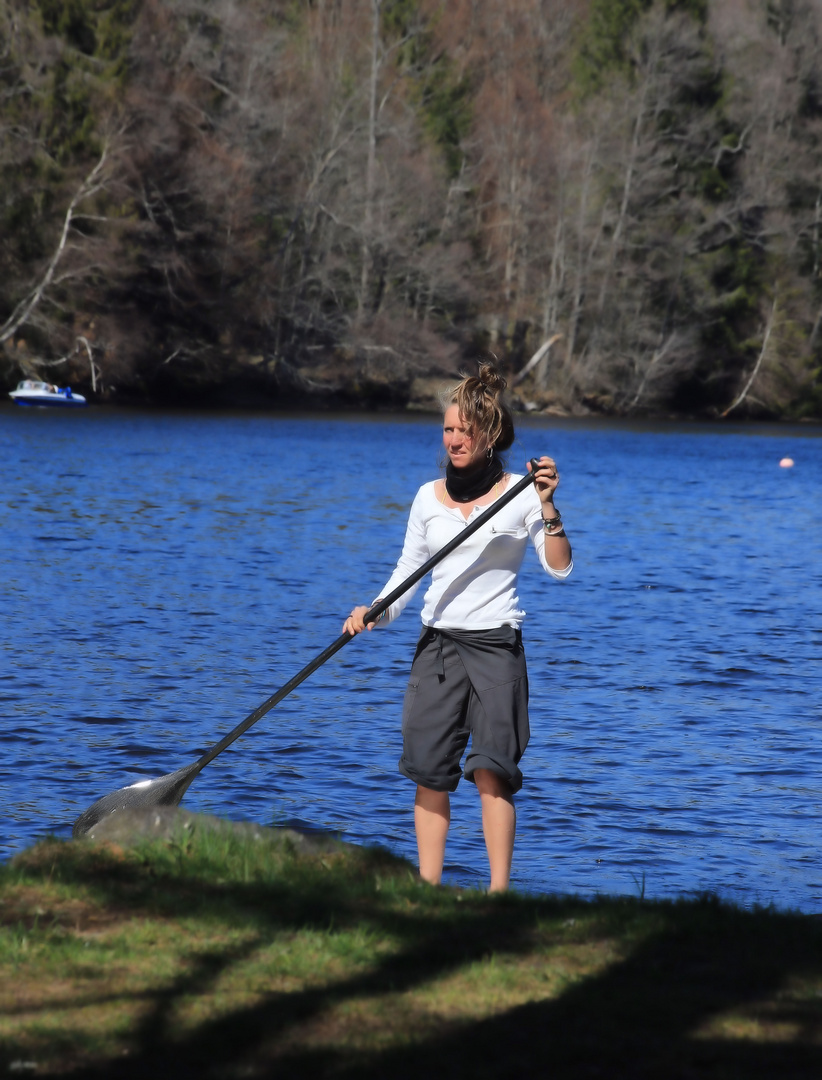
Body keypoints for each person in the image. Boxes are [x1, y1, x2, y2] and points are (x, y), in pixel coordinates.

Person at [343, 362, 573, 891]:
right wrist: (373, 610)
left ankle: (498, 897)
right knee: (429, 774)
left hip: (496, 648)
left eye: (464, 431)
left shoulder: (521, 493)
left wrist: (548, 506)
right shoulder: (428, 497)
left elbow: (559, 567)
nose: (454, 439)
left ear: (489, 436)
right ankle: (428, 891)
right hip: (438, 649)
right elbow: (406, 573)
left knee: (492, 774)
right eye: (448, 429)